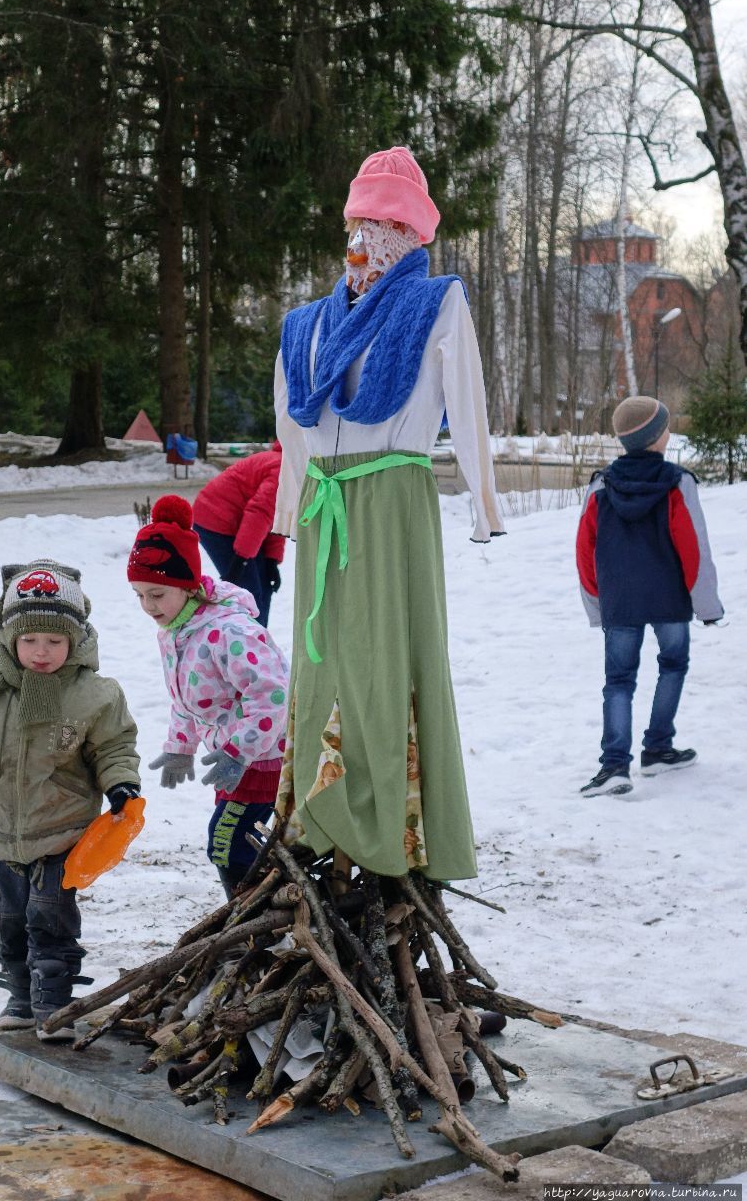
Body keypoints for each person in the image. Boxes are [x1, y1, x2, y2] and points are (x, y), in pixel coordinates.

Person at [272, 146, 504, 882]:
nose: (367, 237)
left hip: (393, 495)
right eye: (359, 220)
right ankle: (317, 810)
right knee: (323, 658)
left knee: (389, 655)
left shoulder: (435, 303)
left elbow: (466, 402)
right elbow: (289, 431)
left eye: (384, 222)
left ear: (411, 235)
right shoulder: (302, 325)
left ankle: (394, 822)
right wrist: (289, 508)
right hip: (324, 504)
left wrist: (482, 504)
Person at [0, 561, 140, 1039]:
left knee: (51, 919)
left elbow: (114, 747)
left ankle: (53, 1002)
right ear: (8, 638)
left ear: (75, 641)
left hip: (62, 832)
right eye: (29, 641)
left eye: (55, 642)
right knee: (11, 921)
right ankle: (19, 994)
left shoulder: (94, 695)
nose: (41, 653)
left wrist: (121, 784)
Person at [128, 495, 289, 895]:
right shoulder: (177, 631)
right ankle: (261, 915)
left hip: (264, 758)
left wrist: (239, 751)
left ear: (186, 585)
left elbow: (273, 696)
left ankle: (257, 923)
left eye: (157, 593)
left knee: (228, 842)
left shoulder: (230, 632)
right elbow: (187, 700)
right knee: (236, 842)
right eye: (140, 595)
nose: (148, 605)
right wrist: (180, 747)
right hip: (233, 760)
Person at [576, 396, 724, 797]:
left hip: (620, 601)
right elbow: (694, 548)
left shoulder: (601, 485)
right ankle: (657, 748)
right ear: (659, 437)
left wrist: (596, 604)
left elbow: (584, 549)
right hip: (669, 600)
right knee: (673, 664)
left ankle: (614, 766)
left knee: (618, 680)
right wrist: (706, 605)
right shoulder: (677, 482)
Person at [192, 442, 286, 627]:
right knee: (248, 592)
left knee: (263, 584)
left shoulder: (291, 465)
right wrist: (241, 560)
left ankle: (259, 642)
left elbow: (278, 515)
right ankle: (246, 647)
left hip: (241, 526)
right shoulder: (283, 468)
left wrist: (271, 560)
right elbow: (260, 512)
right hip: (215, 520)